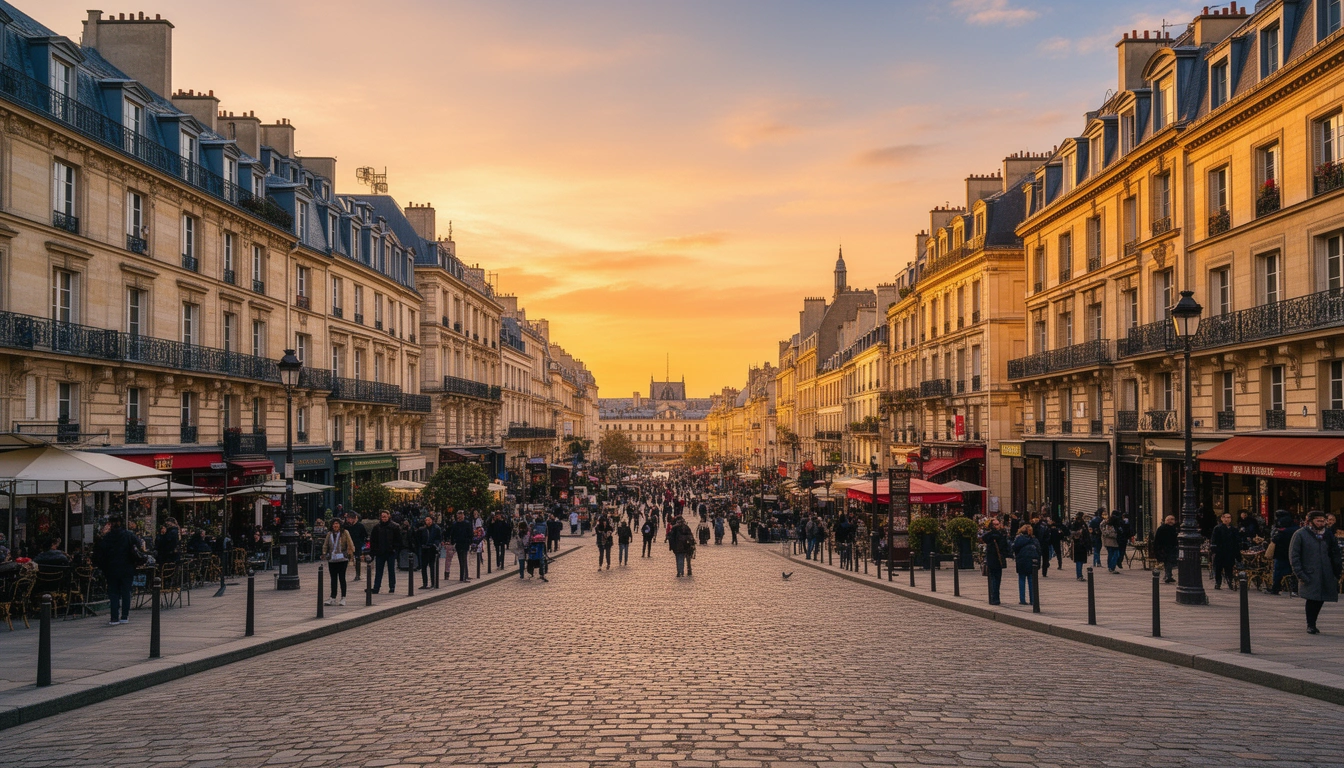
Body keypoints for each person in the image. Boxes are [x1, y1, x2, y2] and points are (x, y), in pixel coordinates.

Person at [1289, 510, 1343, 634]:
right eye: (1318, 520)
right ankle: (1311, 624)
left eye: (1323, 520)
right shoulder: (1300, 534)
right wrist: (1299, 573)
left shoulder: (1328, 535)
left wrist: (1337, 570)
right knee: (1312, 598)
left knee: (1321, 598)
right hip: (1310, 572)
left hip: (1326, 571)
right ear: (1310, 521)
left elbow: (1335, 553)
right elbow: (1294, 555)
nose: (1321, 523)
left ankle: (1313, 622)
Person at [94, 517, 142, 625]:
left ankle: (114, 617)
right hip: (127, 567)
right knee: (126, 592)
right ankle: (124, 616)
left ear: (111, 524)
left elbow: (100, 553)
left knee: (113, 593)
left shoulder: (107, 537)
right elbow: (138, 545)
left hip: (111, 568)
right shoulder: (129, 535)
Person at [321, 518, 354, 606]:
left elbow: (350, 543)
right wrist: (324, 553)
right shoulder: (329, 534)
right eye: (334, 524)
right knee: (333, 578)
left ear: (340, 525)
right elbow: (325, 544)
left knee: (342, 578)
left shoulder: (345, 533)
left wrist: (349, 554)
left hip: (342, 558)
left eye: (337, 524)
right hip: (332, 559)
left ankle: (343, 597)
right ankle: (333, 597)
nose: (335, 526)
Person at [369, 510, 401, 594]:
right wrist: (373, 552)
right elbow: (373, 541)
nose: (384, 518)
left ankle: (392, 587)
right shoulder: (377, 527)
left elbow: (398, 540)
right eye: (382, 516)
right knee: (378, 571)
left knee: (391, 570)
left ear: (389, 516)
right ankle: (376, 587)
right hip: (380, 552)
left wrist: (395, 550)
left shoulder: (395, 526)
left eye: (385, 516)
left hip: (390, 552)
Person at [1270, 510, 1299, 595]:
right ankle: (1294, 588)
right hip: (1293, 553)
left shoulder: (1281, 527)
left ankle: (1276, 588)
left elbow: (1276, 539)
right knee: (1293, 571)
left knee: (1278, 571)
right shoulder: (1295, 527)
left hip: (1281, 553)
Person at [981, 518, 1008, 606]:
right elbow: (1005, 547)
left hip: (992, 560)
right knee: (996, 579)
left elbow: (984, 538)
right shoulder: (1001, 535)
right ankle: (996, 598)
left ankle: (994, 598)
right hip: (997, 560)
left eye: (998, 524)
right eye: (995, 524)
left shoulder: (990, 535)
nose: (997, 526)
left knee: (993, 579)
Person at [1210, 511, 1241, 589]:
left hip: (1230, 552)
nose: (1226, 519)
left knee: (1229, 568)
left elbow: (1237, 541)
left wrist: (1237, 552)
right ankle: (1218, 583)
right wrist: (1214, 550)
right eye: (1225, 517)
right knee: (1218, 568)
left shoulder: (1234, 529)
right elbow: (1213, 540)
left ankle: (1230, 582)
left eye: (1228, 517)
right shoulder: (1217, 528)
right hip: (1220, 551)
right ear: (1222, 518)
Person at [1012, 524, 1040, 606]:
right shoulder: (1034, 540)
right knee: (1031, 581)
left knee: (1021, 580)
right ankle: (1033, 600)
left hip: (1021, 561)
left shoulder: (1019, 539)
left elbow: (1014, 548)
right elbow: (1039, 551)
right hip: (1032, 562)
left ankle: (1022, 599)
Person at [416, 515, 443, 589]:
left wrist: (434, 544)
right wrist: (422, 545)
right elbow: (419, 538)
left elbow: (439, 539)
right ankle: (425, 583)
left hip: (432, 549)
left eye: (429, 520)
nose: (427, 521)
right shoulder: (423, 529)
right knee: (423, 567)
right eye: (426, 520)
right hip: (424, 549)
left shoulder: (436, 528)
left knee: (432, 566)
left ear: (432, 520)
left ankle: (433, 583)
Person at [1153, 515, 1179, 584]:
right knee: (1168, 562)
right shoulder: (1166, 528)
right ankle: (1168, 575)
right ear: (1168, 520)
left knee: (1168, 562)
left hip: (1168, 548)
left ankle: (1168, 575)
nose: (1173, 521)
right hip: (1166, 549)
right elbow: (1157, 540)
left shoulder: (1172, 528)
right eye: (1172, 519)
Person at [449, 511, 473, 582]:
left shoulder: (467, 523)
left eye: (461, 515)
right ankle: (462, 577)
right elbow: (452, 534)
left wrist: (470, 542)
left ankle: (464, 576)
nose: (459, 517)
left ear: (463, 516)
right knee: (461, 560)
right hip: (459, 544)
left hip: (465, 543)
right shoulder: (455, 524)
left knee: (464, 559)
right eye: (458, 515)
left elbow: (470, 533)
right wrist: (453, 542)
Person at [344, 512, 367, 580]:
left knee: (357, 559)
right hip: (348, 545)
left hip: (357, 545)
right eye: (347, 519)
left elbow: (364, 536)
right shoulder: (346, 526)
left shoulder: (360, 526)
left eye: (349, 519)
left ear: (354, 519)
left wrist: (361, 543)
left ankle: (358, 574)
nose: (348, 520)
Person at [1069, 513, 1091, 581]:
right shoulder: (1078, 525)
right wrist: (1079, 533)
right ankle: (1079, 575)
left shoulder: (1081, 524)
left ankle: (1080, 574)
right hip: (1079, 544)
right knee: (1079, 560)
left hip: (1081, 544)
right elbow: (1072, 533)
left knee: (1080, 561)